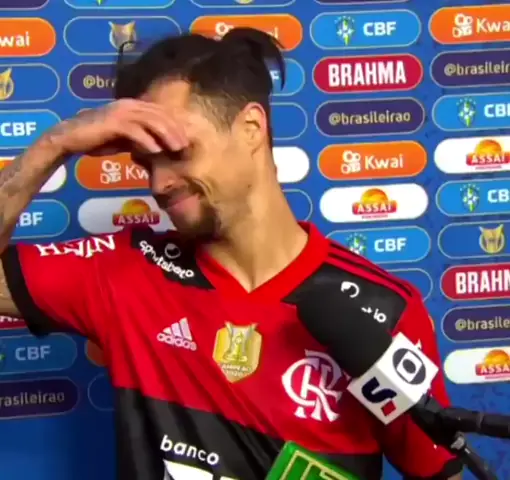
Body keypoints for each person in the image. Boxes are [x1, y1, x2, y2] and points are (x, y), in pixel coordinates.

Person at [0, 28, 462, 480]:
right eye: (146, 163)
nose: (158, 183)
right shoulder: (124, 271)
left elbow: (437, 473)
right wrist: (54, 145)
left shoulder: (385, 309)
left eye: (177, 152)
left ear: (251, 129)